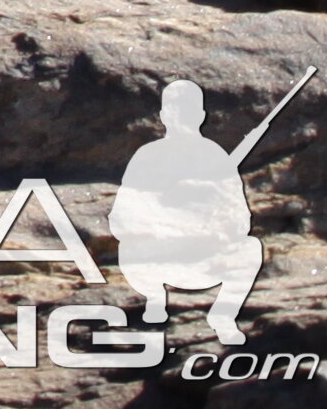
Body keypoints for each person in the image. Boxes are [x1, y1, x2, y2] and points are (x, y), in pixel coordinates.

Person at [114, 79, 268, 345]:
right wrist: (165, 220)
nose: (178, 118)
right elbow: (121, 218)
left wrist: (214, 226)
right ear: (162, 115)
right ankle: (154, 298)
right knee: (127, 248)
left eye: (186, 111)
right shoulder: (147, 156)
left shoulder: (215, 157)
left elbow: (240, 220)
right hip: (157, 257)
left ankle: (223, 315)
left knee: (251, 247)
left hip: (205, 259)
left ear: (201, 116)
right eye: (173, 110)